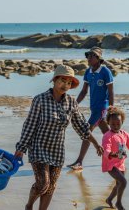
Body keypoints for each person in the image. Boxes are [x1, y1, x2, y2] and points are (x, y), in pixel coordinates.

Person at [14, 65, 104, 210]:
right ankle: (29, 205)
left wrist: (95, 144)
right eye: (63, 80)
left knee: (51, 187)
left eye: (69, 83)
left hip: (57, 151)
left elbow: (82, 126)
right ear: (55, 80)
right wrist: (21, 148)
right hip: (39, 148)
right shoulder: (40, 100)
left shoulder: (71, 102)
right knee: (43, 184)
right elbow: (29, 126)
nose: (65, 85)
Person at [68, 47, 114, 170]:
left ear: (98, 58)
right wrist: (75, 103)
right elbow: (83, 91)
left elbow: (110, 91)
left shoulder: (105, 71)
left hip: (101, 108)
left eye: (91, 56)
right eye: (87, 55)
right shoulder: (88, 72)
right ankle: (118, 154)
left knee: (86, 132)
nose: (88, 58)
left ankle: (79, 162)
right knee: (108, 133)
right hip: (93, 108)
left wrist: (111, 108)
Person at [102, 106, 128, 210]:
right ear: (108, 123)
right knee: (123, 182)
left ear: (122, 122)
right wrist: (113, 154)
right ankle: (118, 203)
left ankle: (109, 199)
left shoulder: (124, 134)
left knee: (118, 184)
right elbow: (106, 149)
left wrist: (119, 156)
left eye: (118, 124)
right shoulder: (108, 136)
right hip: (110, 164)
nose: (116, 126)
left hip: (120, 163)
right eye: (113, 124)